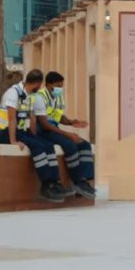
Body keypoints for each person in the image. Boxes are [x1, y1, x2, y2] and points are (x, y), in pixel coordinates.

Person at [0, 69, 65, 203]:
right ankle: (46, 185)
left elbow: (32, 118)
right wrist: (13, 141)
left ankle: (54, 182)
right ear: (38, 83)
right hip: (3, 132)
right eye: (40, 85)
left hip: (20, 131)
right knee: (38, 147)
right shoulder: (13, 93)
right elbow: (11, 119)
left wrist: (35, 137)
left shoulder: (30, 95)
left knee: (47, 145)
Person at [31, 71, 95, 199]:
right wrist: (68, 134)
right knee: (69, 145)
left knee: (84, 145)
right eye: (57, 86)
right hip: (43, 131)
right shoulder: (39, 97)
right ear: (48, 84)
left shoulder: (58, 96)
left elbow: (58, 116)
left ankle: (85, 180)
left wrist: (72, 122)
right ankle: (77, 181)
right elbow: (44, 124)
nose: (60, 88)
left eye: (61, 85)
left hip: (54, 129)